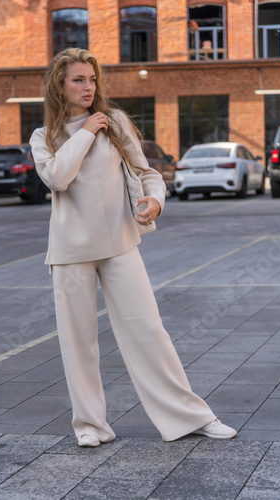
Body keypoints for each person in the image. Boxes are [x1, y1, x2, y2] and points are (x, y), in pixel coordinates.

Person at [29, 47, 236, 447]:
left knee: (148, 330)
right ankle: (91, 426)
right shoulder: (45, 137)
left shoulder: (116, 122)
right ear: (59, 85)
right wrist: (87, 131)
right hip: (71, 251)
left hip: (121, 243)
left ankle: (189, 417)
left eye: (92, 79)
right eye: (78, 80)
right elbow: (57, 178)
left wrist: (155, 199)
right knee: (78, 342)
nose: (88, 87)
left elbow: (147, 173)